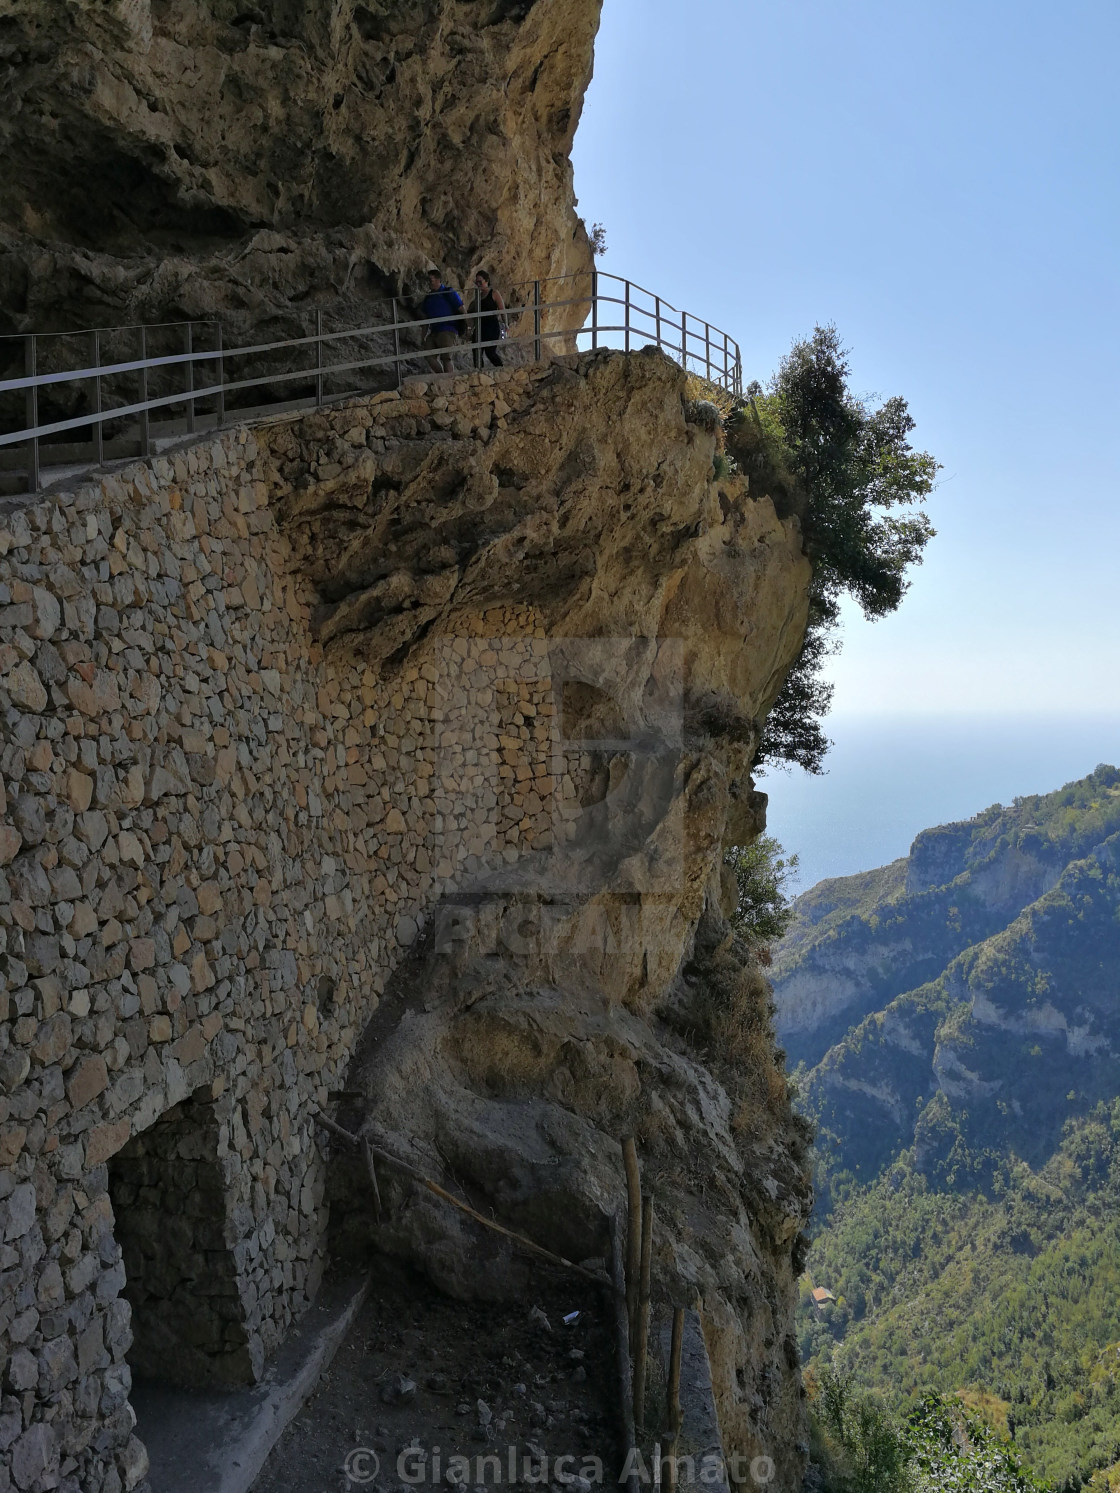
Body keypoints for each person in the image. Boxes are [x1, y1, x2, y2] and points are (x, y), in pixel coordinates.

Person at [422, 268, 464, 373]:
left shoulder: (448, 292)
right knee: (428, 355)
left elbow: (462, 309)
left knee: (446, 358)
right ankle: (442, 377)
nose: (429, 282)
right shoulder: (428, 298)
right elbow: (426, 318)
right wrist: (423, 336)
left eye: (430, 280)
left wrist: (466, 326)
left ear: (437, 280)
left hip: (448, 329)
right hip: (434, 330)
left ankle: (448, 380)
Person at [470, 270, 506, 368]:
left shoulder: (494, 293)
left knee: (490, 352)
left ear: (486, 281)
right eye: (476, 282)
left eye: (480, 282)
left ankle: (501, 369)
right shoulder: (477, 297)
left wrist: (506, 324)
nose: (478, 284)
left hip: (492, 326)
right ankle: (478, 372)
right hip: (480, 327)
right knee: (476, 352)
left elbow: (502, 309)